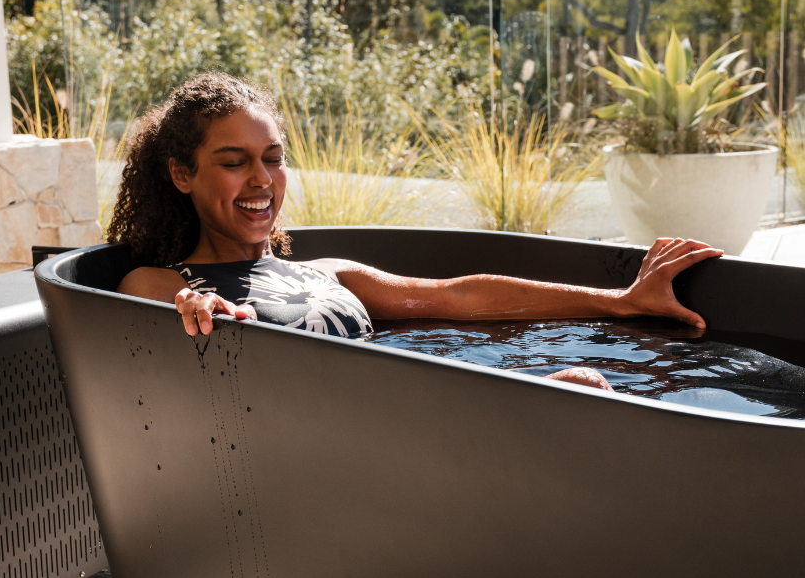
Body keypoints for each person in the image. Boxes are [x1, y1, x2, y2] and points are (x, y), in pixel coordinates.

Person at [110, 73, 723, 391]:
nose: (261, 179)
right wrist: (191, 309)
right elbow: (154, 311)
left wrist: (620, 302)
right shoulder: (163, 282)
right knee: (581, 389)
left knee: (588, 380)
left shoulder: (327, 273)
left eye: (272, 157)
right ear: (182, 174)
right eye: (233, 161)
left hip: (409, 417)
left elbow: (457, 297)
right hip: (339, 449)